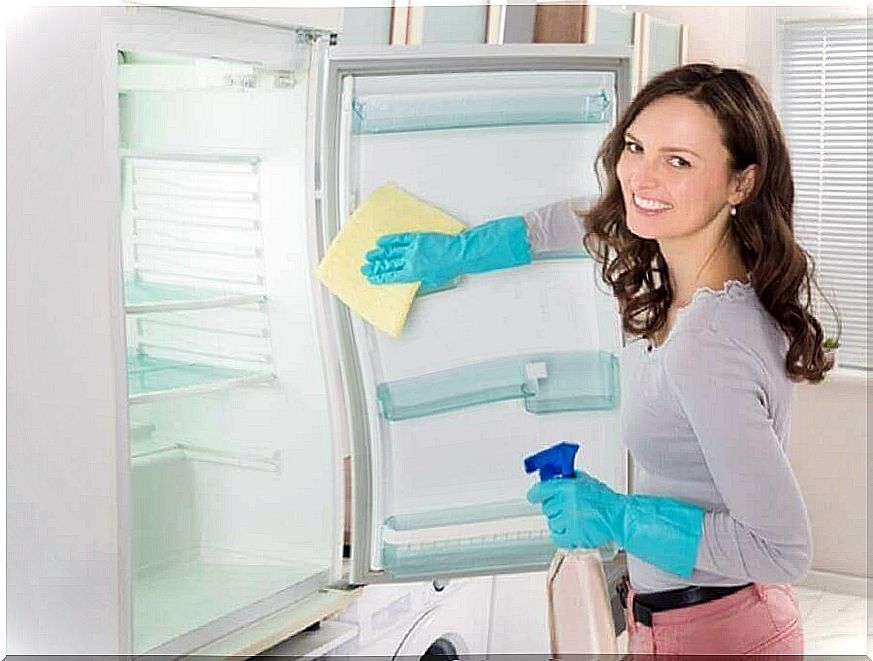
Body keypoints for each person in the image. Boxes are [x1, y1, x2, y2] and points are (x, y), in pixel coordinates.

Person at [361, 63, 838, 655]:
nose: (641, 175)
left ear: (740, 184)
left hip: (716, 636)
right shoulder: (702, 275)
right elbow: (575, 220)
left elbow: (782, 548)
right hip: (711, 619)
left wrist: (619, 518)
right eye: (636, 147)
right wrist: (457, 252)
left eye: (679, 161)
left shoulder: (707, 343)